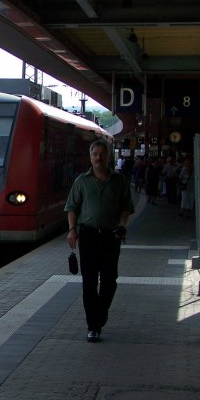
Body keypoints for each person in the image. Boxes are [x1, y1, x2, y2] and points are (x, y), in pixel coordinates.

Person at [65, 139, 135, 343]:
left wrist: (123, 224)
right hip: (87, 236)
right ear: (90, 157)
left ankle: (100, 314)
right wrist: (72, 231)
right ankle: (93, 326)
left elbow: (126, 207)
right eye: (95, 154)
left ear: (108, 156)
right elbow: (72, 207)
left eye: (102, 154)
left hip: (111, 236)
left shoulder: (120, 181)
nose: (98, 157)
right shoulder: (81, 181)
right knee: (89, 282)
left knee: (109, 281)